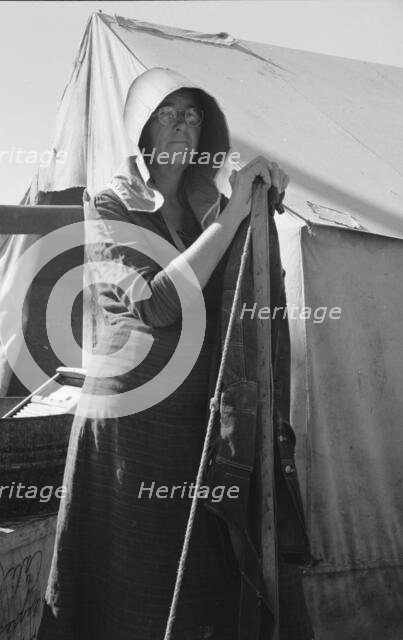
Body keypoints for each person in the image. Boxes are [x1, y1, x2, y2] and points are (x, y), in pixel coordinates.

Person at [37, 67, 312, 640]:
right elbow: (155, 304)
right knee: (127, 581)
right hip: (132, 424)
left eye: (192, 114)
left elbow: (240, 284)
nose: (182, 124)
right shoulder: (112, 201)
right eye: (168, 113)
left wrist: (255, 206)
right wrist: (235, 217)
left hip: (198, 418)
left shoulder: (210, 203)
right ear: (142, 129)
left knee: (197, 582)